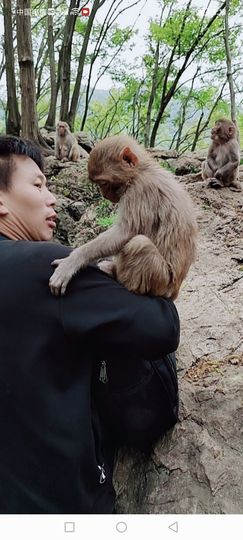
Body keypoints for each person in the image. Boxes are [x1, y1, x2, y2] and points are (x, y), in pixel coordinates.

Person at [0, 135, 180, 514]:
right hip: (64, 507)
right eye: (37, 184)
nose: (52, 198)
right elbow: (162, 327)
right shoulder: (41, 266)